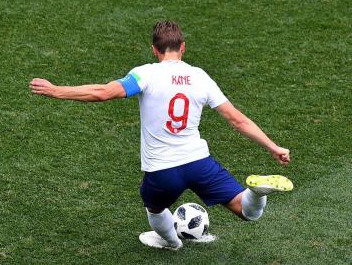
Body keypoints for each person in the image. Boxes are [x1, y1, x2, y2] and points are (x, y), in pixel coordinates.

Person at [29, 20, 293, 250]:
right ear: (183, 47)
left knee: (154, 208)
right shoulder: (200, 77)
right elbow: (237, 120)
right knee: (247, 212)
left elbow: (103, 93)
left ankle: (171, 242)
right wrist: (272, 146)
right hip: (199, 163)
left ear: (155, 49)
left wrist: (56, 90)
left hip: (162, 170)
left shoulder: (145, 74)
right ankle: (257, 193)